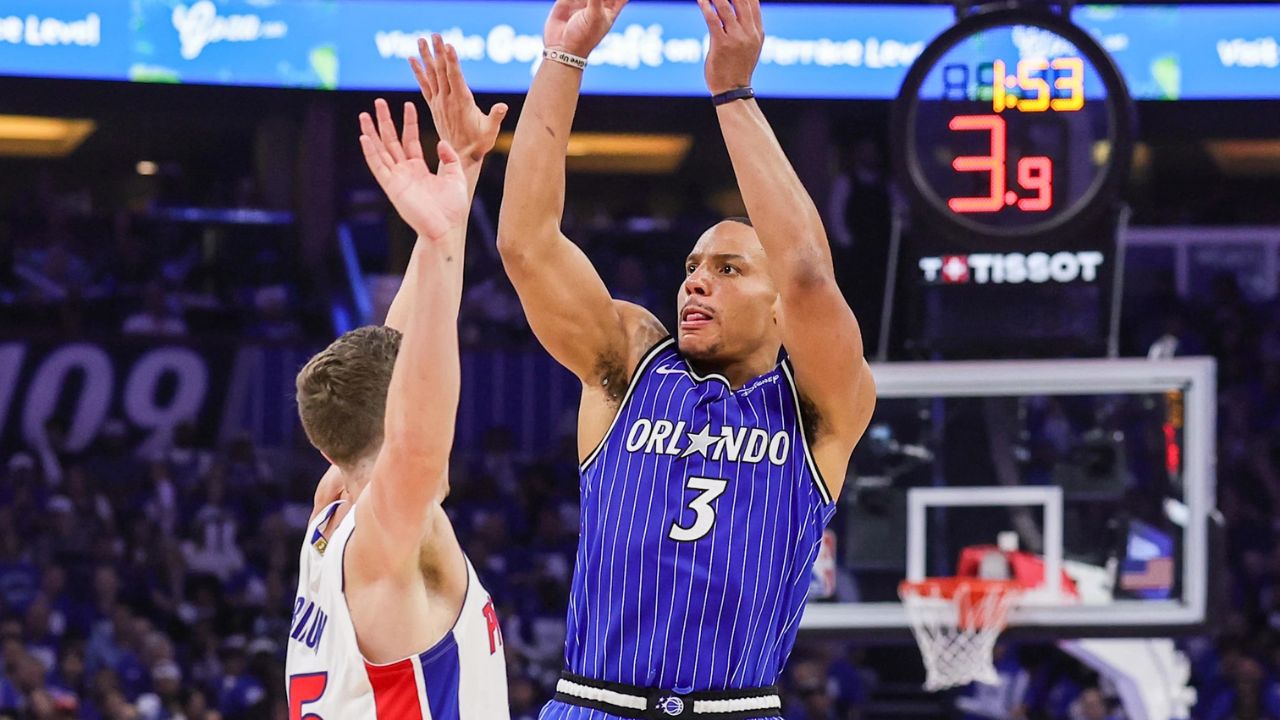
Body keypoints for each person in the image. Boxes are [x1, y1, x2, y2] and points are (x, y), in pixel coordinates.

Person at [496, 0, 876, 717]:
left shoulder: (818, 405)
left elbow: (806, 272)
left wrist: (732, 93)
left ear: (776, 309)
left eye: (730, 269)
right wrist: (563, 59)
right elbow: (526, 246)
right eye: (693, 266)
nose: (696, 280)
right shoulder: (631, 362)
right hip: (592, 702)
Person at [285, 37, 510, 718]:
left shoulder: (333, 507)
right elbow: (418, 434)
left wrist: (463, 176)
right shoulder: (388, 534)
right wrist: (442, 238)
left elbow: (401, 349)